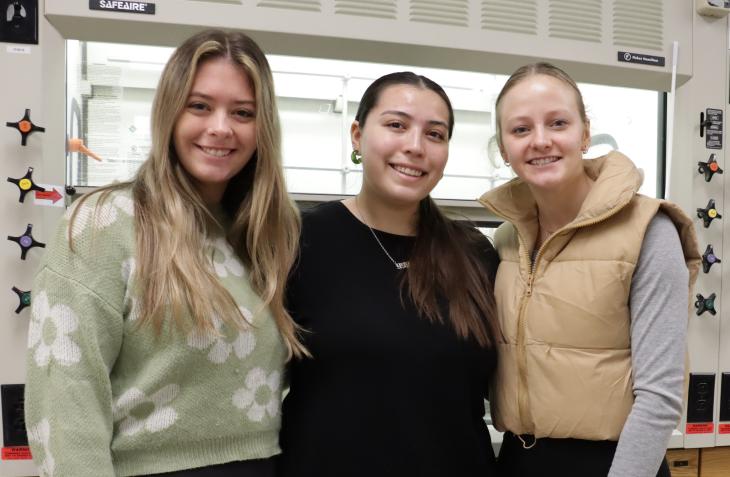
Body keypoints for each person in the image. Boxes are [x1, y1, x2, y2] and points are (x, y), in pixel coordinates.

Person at [24, 29, 304, 477]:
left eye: (243, 112)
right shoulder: (104, 222)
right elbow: (65, 397)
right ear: (169, 113)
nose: (220, 127)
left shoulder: (266, 235)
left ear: (262, 127)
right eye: (200, 106)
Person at [479, 62, 701, 477]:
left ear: (583, 134)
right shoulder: (507, 238)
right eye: (520, 129)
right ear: (505, 149)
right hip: (519, 460)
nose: (540, 141)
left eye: (557, 123)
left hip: (615, 464)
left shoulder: (649, 230)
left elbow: (660, 397)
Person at [277, 71, 501, 477]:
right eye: (396, 125)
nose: (415, 146)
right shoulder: (299, 242)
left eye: (435, 134)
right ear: (358, 135)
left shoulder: (474, 252)